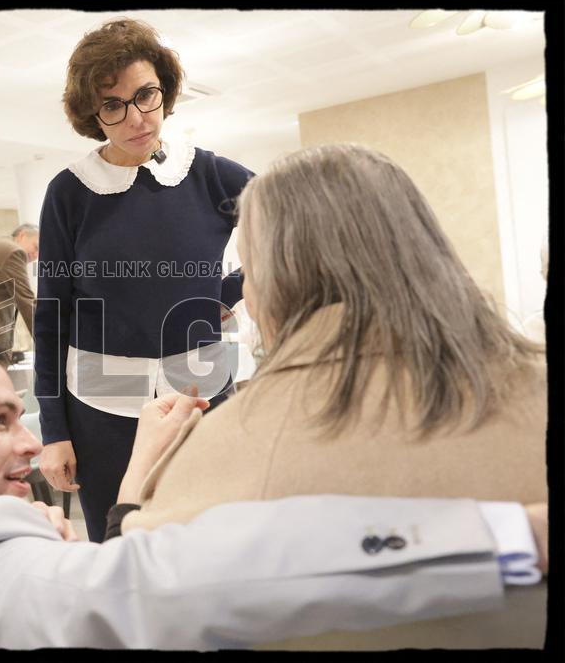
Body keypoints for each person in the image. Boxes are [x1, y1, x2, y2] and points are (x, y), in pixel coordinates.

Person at [0, 340, 545, 649]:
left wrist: (131, 485)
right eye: (0, 421)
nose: (29, 443)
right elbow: (197, 576)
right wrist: (507, 539)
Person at [108, 144, 548, 646]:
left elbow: (129, 601)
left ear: (276, 279)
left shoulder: (218, 454)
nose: (245, 293)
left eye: (248, 271)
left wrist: (138, 484)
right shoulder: (534, 393)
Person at [35, 18, 253, 542]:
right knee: (120, 543)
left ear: (165, 91)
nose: (136, 118)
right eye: (113, 105)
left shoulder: (208, 174)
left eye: (146, 95)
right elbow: (51, 315)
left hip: (200, 390)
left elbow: (294, 221)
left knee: (211, 535)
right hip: (101, 405)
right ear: (92, 113)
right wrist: (54, 431)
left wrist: (223, 294)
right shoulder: (70, 193)